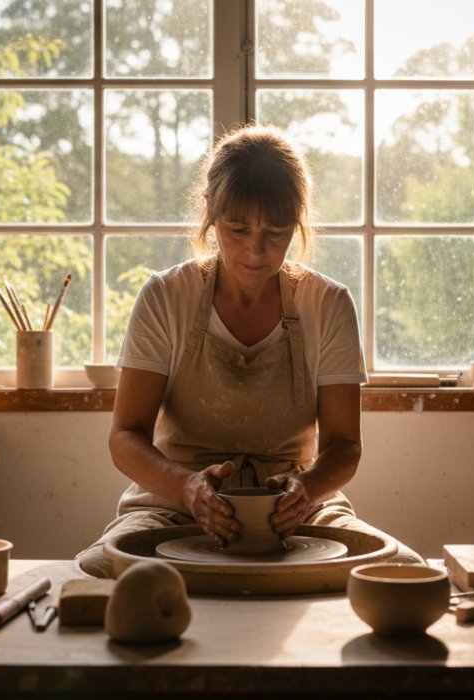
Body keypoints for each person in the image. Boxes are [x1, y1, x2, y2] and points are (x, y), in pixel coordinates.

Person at [76, 125, 422, 577]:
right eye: (237, 228)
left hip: (294, 506)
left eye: (276, 232)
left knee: (405, 571)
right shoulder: (166, 296)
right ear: (210, 212)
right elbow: (125, 436)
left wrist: (306, 489)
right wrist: (187, 488)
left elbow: (344, 446)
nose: (255, 249)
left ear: (298, 222)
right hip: (173, 503)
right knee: (95, 571)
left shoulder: (327, 303)